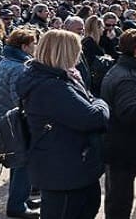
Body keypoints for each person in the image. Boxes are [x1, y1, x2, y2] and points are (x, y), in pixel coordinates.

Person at [16, 30, 110, 219]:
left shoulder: (54, 78)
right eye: (76, 51)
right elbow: (92, 117)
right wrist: (101, 102)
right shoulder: (52, 86)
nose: (79, 56)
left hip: (65, 164)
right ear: (64, 53)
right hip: (64, 170)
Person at [100, 29, 136, 219]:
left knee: (117, 194)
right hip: (122, 145)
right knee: (120, 197)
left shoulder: (124, 71)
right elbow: (130, 113)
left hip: (119, 143)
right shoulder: (126, 77)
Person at [0, 27, 40, 219]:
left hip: (4, 119)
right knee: (22, 163)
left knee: (19, 163)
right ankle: (17, 205)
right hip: (14, 122)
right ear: (25, 46)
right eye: (34, 43)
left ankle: (21, 198)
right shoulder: (20, 66)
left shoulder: (7, 60)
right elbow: (18, 97)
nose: (36, 46)